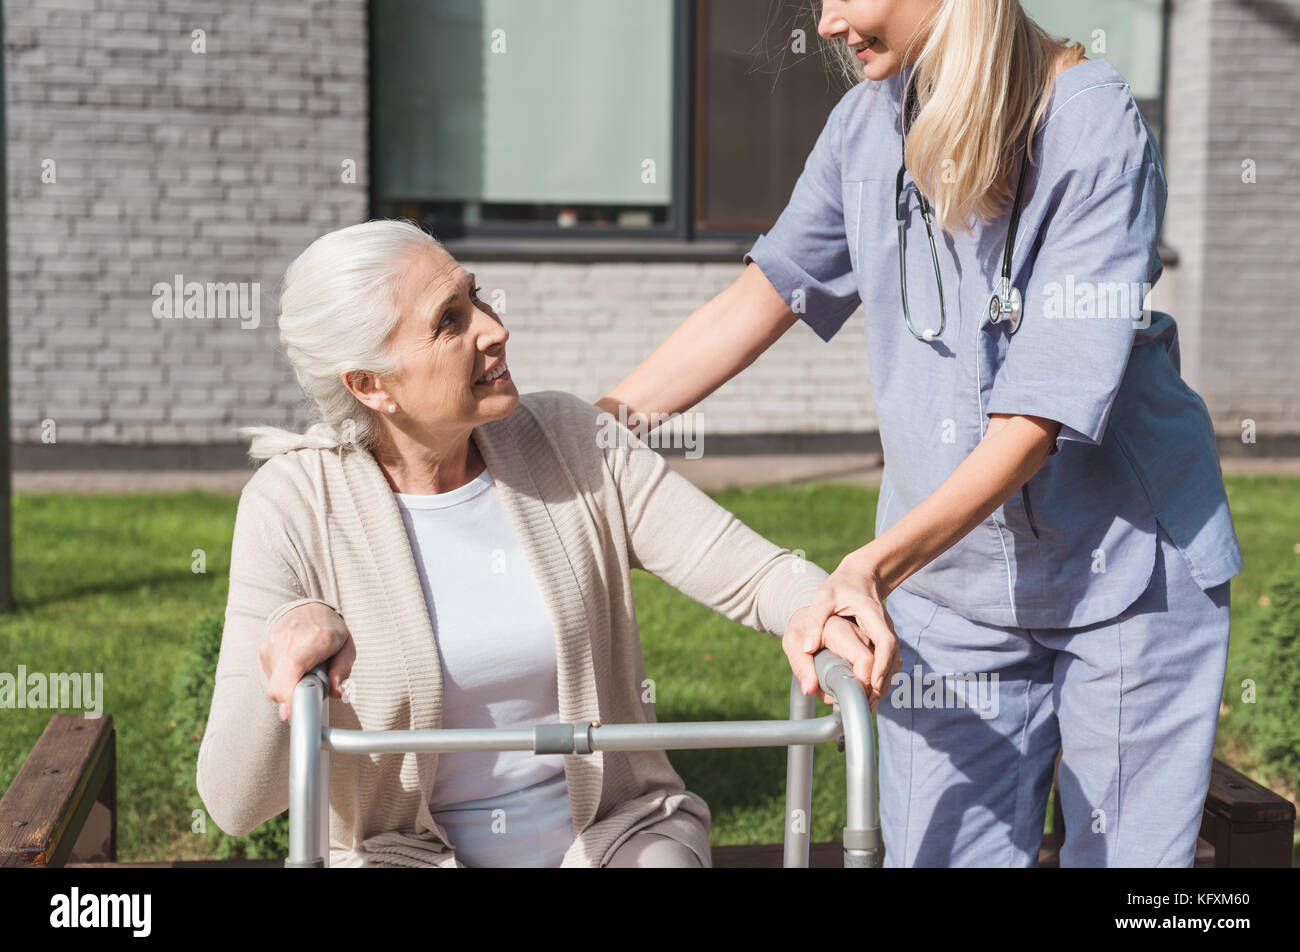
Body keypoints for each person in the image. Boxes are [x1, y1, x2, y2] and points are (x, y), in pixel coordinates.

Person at [597, 0, 1243, 867]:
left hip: (1125, 571)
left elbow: (1035, 420)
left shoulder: (1094, 128)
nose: (826, 23)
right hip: (949, 587)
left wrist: (871, 565)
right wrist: (586, 437)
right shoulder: (867, 121)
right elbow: (766, 295)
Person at [195, 219, 883, 868]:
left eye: (477, 297)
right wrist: (284, 648)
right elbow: (232, 803)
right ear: (370, 384)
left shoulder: (570, 439)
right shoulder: (291, 504)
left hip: (614, 839)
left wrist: (819, 606)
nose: (496, 329)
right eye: (449, 321)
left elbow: (758, 573)